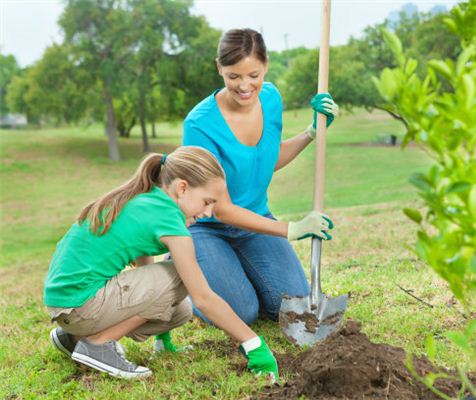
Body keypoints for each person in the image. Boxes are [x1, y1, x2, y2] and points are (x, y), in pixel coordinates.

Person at [43, 146, 278, 380]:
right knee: (179, 274)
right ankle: (98, 344)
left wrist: (162, 337)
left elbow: (148, 277)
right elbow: (204, 299)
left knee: (181, 311)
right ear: (182, 188)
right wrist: (253, 343)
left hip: (67, 307)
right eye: (207, 202)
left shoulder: (146, 201)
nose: (208, 213)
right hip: (83, 305)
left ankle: (71, 339)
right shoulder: (168, 218)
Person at [182, 28, 338, 325]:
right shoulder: (200, 125)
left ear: (265, 64)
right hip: (206, 227)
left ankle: (229, 272)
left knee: (292, 302)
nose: (244, 86)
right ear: (219, 68)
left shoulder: (271, 99)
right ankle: (191, 283)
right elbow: (220, 207)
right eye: (233, 76)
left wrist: (311, 132)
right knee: (243, 312)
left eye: (253, 75)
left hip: (255, 222)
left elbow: (266, 160)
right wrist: (290, 229)